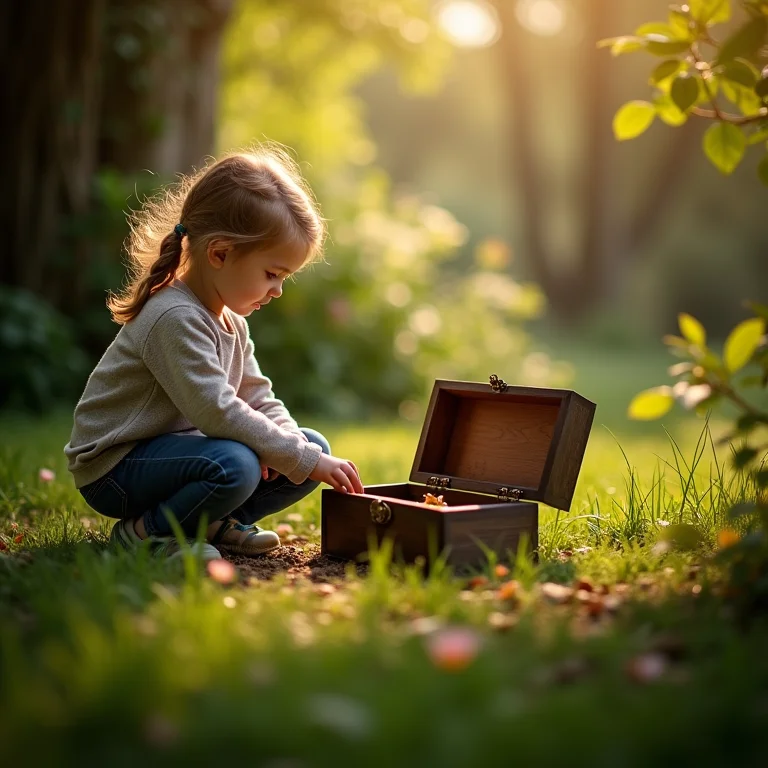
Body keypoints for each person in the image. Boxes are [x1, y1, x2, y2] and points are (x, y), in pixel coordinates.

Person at [64, 147, 364, 563]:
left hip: (180, 456)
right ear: (220, 253)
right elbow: (216, 410)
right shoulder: (174, 316)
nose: (277, 290)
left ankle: (213, 522)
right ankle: (147, 533)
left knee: (311, 444)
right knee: (238, 463)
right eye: (272, 274)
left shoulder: (231, 321)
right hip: (116, 467)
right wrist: (293, 455)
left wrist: (299, 449)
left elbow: (257, 396)